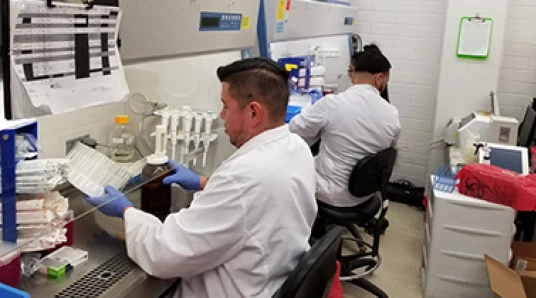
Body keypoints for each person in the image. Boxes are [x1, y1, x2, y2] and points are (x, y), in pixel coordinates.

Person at [85, 58, 317, 298]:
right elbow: (262, 200)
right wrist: (203, 183)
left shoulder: (242, 177)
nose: (222, 115)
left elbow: (165, 254)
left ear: (254, 112)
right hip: (272, 278)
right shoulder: (297, 147)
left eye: (226, 106)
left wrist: (126, 211)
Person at [289, 48, 401, 208]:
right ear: (379, 78)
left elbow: (295, 128)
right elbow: (390, 149)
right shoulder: (392, 113)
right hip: (365, 193)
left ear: (354, 75)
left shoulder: (332, 104)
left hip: (328, 193)